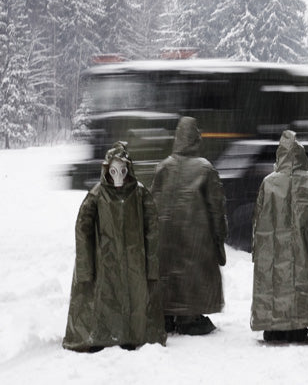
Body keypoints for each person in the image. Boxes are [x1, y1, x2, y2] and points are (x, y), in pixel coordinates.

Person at [63, 141, 165, 352]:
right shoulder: (97, 195)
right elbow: (83, 229)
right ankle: (103, 335)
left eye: (122, 171)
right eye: (113, 171)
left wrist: (151, 266)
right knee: (105, 296)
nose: (118, 177)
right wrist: (85, 268)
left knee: (132, 296)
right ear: (107, 170)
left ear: (129, 170)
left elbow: (152, 229)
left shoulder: (140, 194)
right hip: (105, 260)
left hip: (133, 259)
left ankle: (129, 334)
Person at [250, 130, 308, 342]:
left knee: (276, 282)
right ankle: (298, 323)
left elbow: (258, 220)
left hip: (273, 248)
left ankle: (274, 325)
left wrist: (257, 250)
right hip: (304, 245)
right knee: (301, 279)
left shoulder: (269, 182)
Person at [151, 117, 228, 336]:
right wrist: (219, 237)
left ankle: (166, 314)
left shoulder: (163, 167)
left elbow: (151, 203)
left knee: (167, 268)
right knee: (193, 270)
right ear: (196, 139)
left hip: (165, 237)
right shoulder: (205, 169)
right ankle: (189, 316)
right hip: (195, 235)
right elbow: (216, 208)